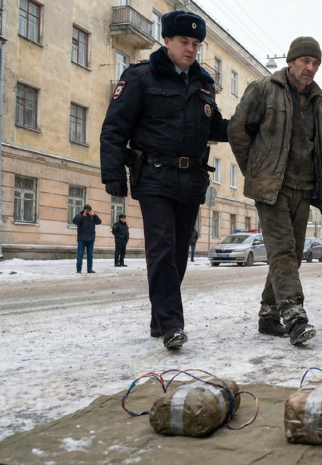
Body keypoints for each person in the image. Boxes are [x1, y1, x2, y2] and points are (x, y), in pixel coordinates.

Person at [100, 10, 229, 349]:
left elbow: (214, 127)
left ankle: (160, 318)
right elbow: (115, 127)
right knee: (161, 250)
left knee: (180, 254)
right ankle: (173, 324)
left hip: (191, 179)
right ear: (167, 40)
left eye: (196, 44)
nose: (190, 49)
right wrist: (113, 172)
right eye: (184, 42)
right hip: (154, 175)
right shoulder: (141, 76)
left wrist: (250, 127)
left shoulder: (202, 84)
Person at [229, 37, 322, 345]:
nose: (309, 68)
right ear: (291, 61)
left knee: (291, 256)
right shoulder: (264, 89)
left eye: (315, 63)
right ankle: (295, 317)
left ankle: (268, 315)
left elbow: (321, 148)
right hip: (272, 189)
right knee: (283, 251)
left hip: (304, 189)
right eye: (304, 61)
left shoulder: (318, 101)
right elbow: (237, 129)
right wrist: (255, 170)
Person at [73, 204, 101, 274]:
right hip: (82, 239)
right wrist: (82, 216)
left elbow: (99, 222)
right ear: (84, 210)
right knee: (80, 254)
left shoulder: (93, 217)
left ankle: (90, 268)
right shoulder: (80, 216)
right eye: (86, 210)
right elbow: (74, 221)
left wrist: (94, 215)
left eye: (89, 210)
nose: (88, 211)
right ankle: (79, 269)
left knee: (90, 255)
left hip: (91, 239)